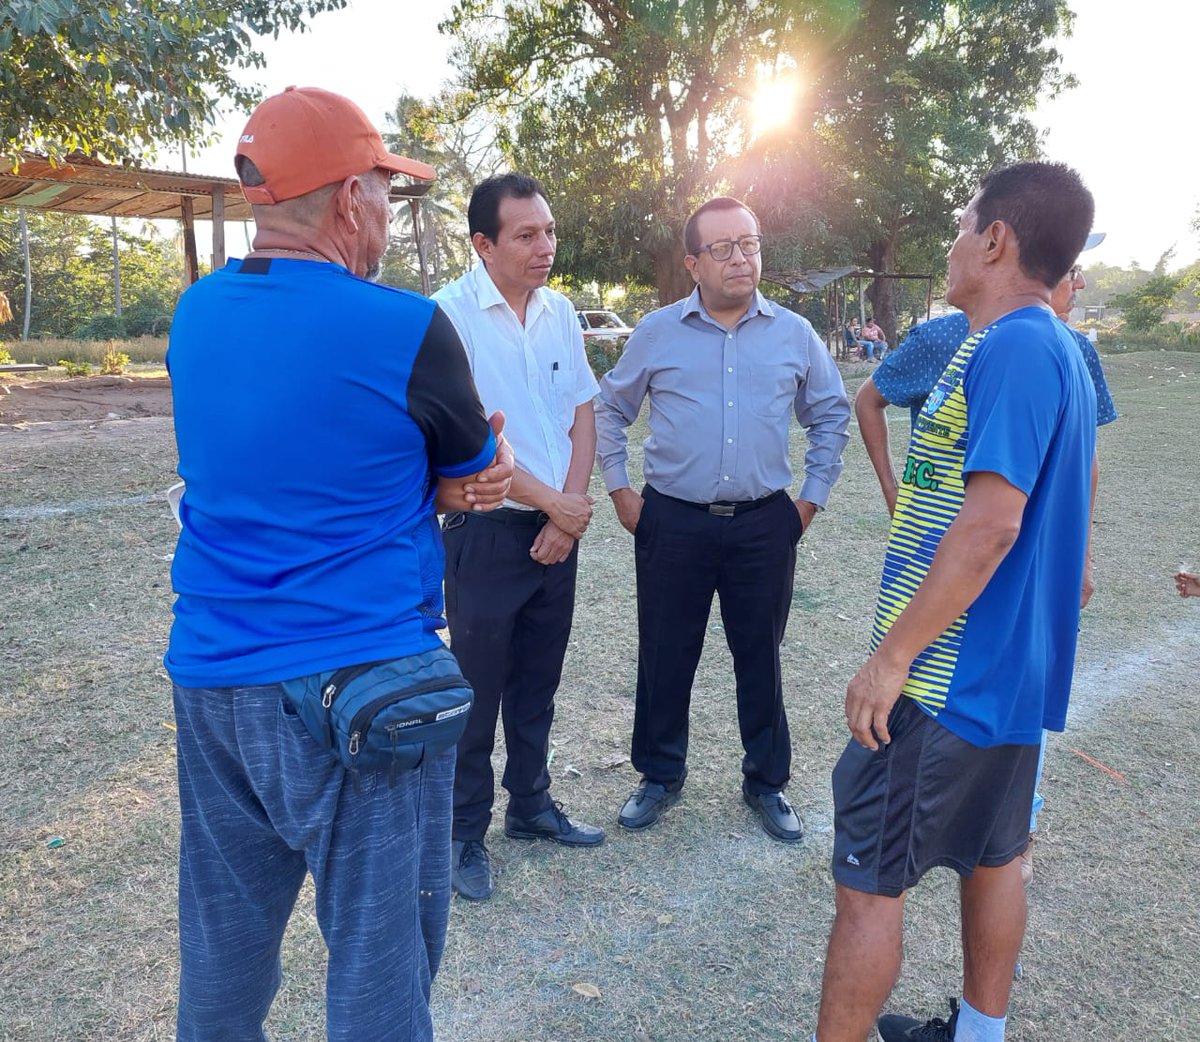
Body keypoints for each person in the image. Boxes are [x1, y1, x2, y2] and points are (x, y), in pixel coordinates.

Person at [165, 87, 514, 1042]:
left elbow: (266, 461)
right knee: (379, 969)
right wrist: (462, 479)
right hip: (357, 691)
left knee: (225, 953)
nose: (389, 218)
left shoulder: (194, 317)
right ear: (349, 198)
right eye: (386, 195)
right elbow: (475, 474)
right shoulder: (403, 327)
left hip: (213, 680)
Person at [813, 161, 1097, 1042]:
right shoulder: (1052, 346)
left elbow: (991, 527)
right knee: (992, 856)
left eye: (962, 222)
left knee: (868, 886)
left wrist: (892, 657)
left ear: (996, 240)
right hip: (1006, 674)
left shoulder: (1017, 346)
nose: (951, 240)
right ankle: (978, 1035)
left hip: (944, 680)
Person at [855, 235, 1117, 884]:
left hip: (962, 648)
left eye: (1080, 269)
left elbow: (1039, 492)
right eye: (1073, 267)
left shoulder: (1044, 347)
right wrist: (894, 488)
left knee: (878, 875)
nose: (1076, 283)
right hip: (970, 620)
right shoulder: (949, 339)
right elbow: (871, 398)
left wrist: (892, 658)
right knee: (999, 850)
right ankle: (982, 992)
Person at [595, 196, 850, 843]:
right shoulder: (657, 332)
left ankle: (766, 781)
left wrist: (807, 502)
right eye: (723, 248)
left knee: (760, 654)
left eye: (750, 243)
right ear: (692, 263)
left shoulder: (794, 333)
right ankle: (659, 775)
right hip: (672, 521)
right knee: (664, 651)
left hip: (766, 524)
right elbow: (609, 409)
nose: (741, 257)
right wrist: (623, 492)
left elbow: (830, 415)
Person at [433, 173, 605, 902]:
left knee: (539, 681)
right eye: (527, 235)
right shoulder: (447, 317)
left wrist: (569, 508)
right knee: (475, 693)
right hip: (485, 531)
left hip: (555, 533)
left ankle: (530, 805)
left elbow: (584, 413)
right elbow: (474, 442)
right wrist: (556, 508)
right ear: (483, 244)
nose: (546, 247)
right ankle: (462, 832)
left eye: (550, 232)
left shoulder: (560, 311)